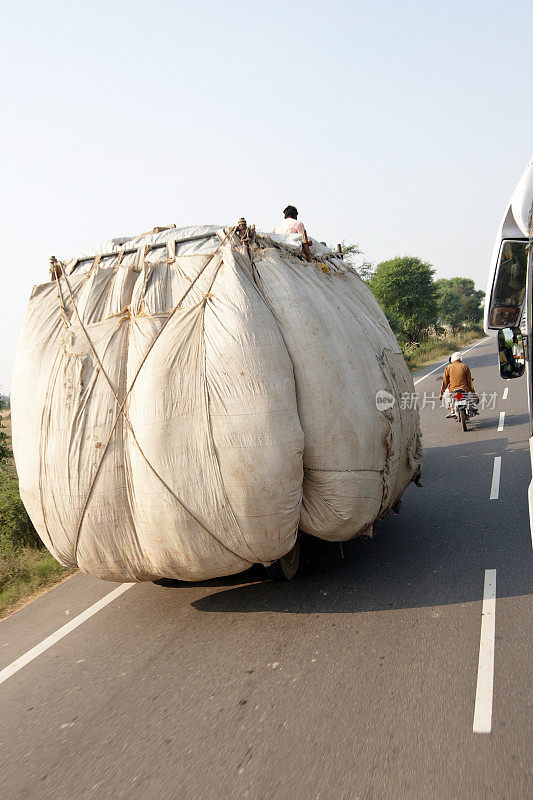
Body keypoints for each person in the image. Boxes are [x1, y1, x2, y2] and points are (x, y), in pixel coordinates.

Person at [439, 352, 478, 418]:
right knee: (469, 394)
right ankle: (471, 407)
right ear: (460, 359)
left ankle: (452, 411)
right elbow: (469, 382)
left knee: (447, 395)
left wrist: (441, 394)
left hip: (453, 390)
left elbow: (445, 382)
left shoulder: (448, 368)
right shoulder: (465, 367)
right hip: (464, 389)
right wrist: (474, 394)